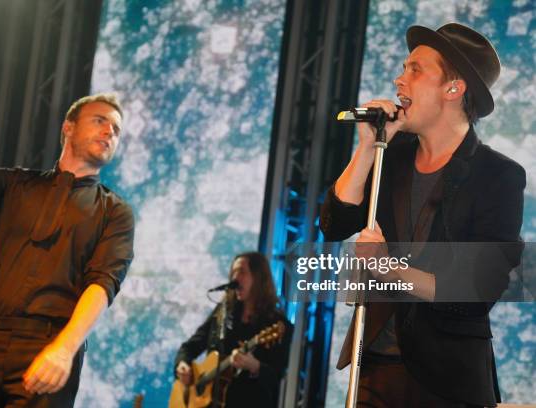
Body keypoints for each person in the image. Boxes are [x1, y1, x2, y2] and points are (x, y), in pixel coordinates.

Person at [320, 23, 525, 407]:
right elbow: (334, 224)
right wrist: (368, 147)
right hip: (376, 366)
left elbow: (477, 289)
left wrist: (390, 271)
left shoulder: (498, 176)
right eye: (403, 68)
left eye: (415, 69)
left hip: (447, 378)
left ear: (454, 88)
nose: (400, 79)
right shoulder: (390, 157)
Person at [0, 69, 134, 406]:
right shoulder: (20, 185)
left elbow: (103, 283)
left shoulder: (114, 211)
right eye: (100, 121)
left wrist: (65, 349)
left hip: (47, 349)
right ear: (68, 127)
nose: (110, 131)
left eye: (116, 130)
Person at [174, 252, 292, 408]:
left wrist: (254, 366)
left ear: (258, 278)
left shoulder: (277, 324)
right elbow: (191, 346)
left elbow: (276, 376)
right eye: (233, 272)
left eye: (242, 272)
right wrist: (182, 364)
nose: (235, 278)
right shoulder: (224, 310)